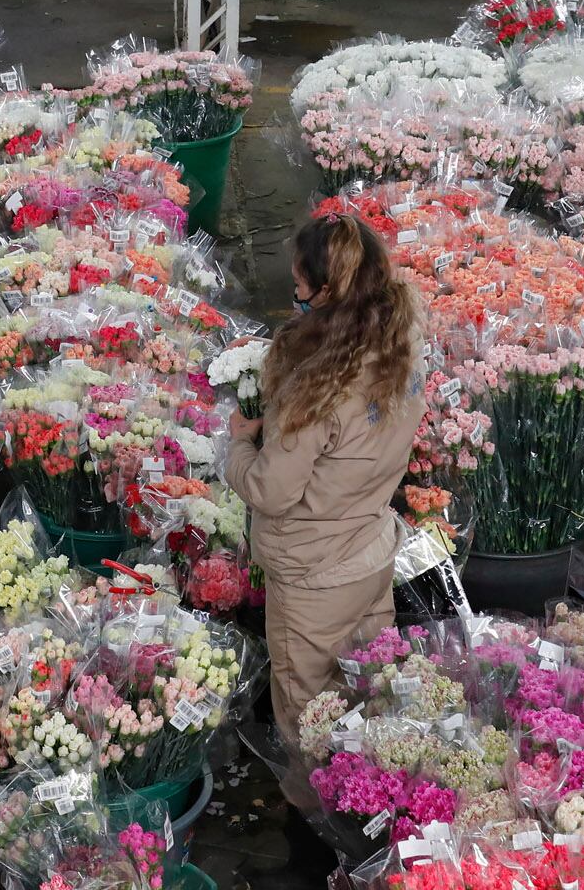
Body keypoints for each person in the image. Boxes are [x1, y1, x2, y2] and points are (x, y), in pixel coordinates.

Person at [222, 212, 424, 886]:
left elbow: (273, 489)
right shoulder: (399, 343)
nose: (294, 297)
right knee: (368, 690)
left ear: (327, 291)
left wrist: (240, 443)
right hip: (369, 551)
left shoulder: (317, 382)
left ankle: (319, 851)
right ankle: (381, 823)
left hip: (311, 572)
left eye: (300, 287)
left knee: (308, 713)